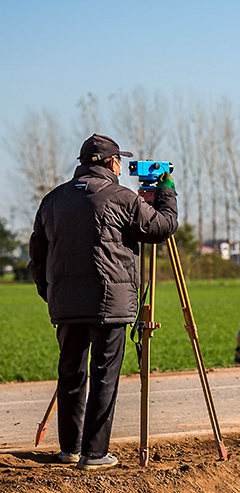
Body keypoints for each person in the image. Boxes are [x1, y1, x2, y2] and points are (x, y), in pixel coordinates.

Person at [28, 134, 178, 470]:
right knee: (103, 375)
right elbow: (161, 228)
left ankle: (70, 449)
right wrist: (166, 192)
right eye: (119, 161)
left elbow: (36, 256)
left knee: (70, 375)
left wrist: (51, 293)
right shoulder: (121, 197)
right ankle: (95, 454)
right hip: (110, 305)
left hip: (66, 305)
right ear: (112, 164)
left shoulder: (52, 200)